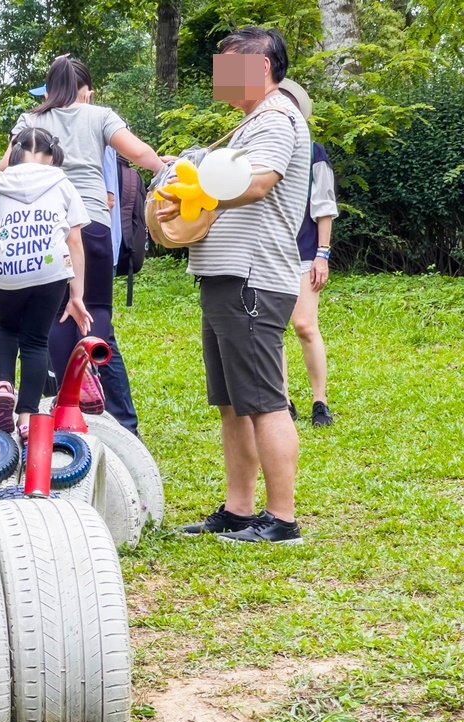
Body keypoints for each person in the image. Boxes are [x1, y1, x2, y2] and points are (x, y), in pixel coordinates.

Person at [158, 27, 311, 544]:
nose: (221, 76)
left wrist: (199, 193)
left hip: (252, 276)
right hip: (224, 275)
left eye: (230, 65)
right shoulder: (249, 123)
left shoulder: (276, 118)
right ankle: (239, 509)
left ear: (261, 67)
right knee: (231, 402)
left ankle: (283, 519)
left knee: (264, 399)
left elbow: (261, 180)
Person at [0, 55, 166, 437]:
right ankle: (123, 424)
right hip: (91, 224)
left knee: (56, 316)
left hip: (46, 228)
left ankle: (71, 408)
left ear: (51, 86)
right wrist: (163, 167)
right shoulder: (100, 116)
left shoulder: (30, 120)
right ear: (85, 90)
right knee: (97, 313)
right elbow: (139, 154)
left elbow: (5, 167)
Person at [0, 127, 92, 436]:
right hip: (51, 268)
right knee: (35, 340)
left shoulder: (0, 184)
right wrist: (76, 294)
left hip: (8, 268)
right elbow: (75, 241)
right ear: (52, 154)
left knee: (6, 328)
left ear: (15, 153)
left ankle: (3, 385)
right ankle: (27, 417)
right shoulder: (62, 182)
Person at [278, 78, 337, 427]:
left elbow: (324, 206)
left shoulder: (315, 152)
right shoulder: (262, 148)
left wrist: (323, 253)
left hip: (304, 251)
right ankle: (283, 399)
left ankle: (320, 401)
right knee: (274, 329)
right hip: (269, 252)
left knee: (304, 325)